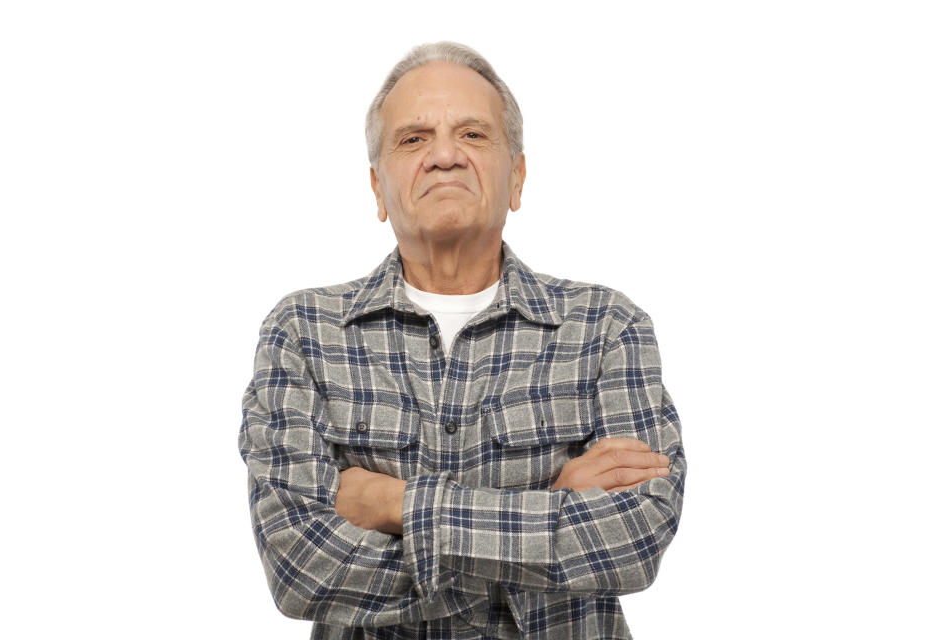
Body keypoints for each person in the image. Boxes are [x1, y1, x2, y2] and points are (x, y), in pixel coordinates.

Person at [239, 41, 686, 639]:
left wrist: (392, 504)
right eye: (413, 139)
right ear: (377, 188)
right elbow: (299, 569)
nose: (444, 155)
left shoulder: (606, 326)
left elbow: (634, 538)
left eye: (473, 135)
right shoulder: (302, 332)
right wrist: (549, 503)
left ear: (518, 178)